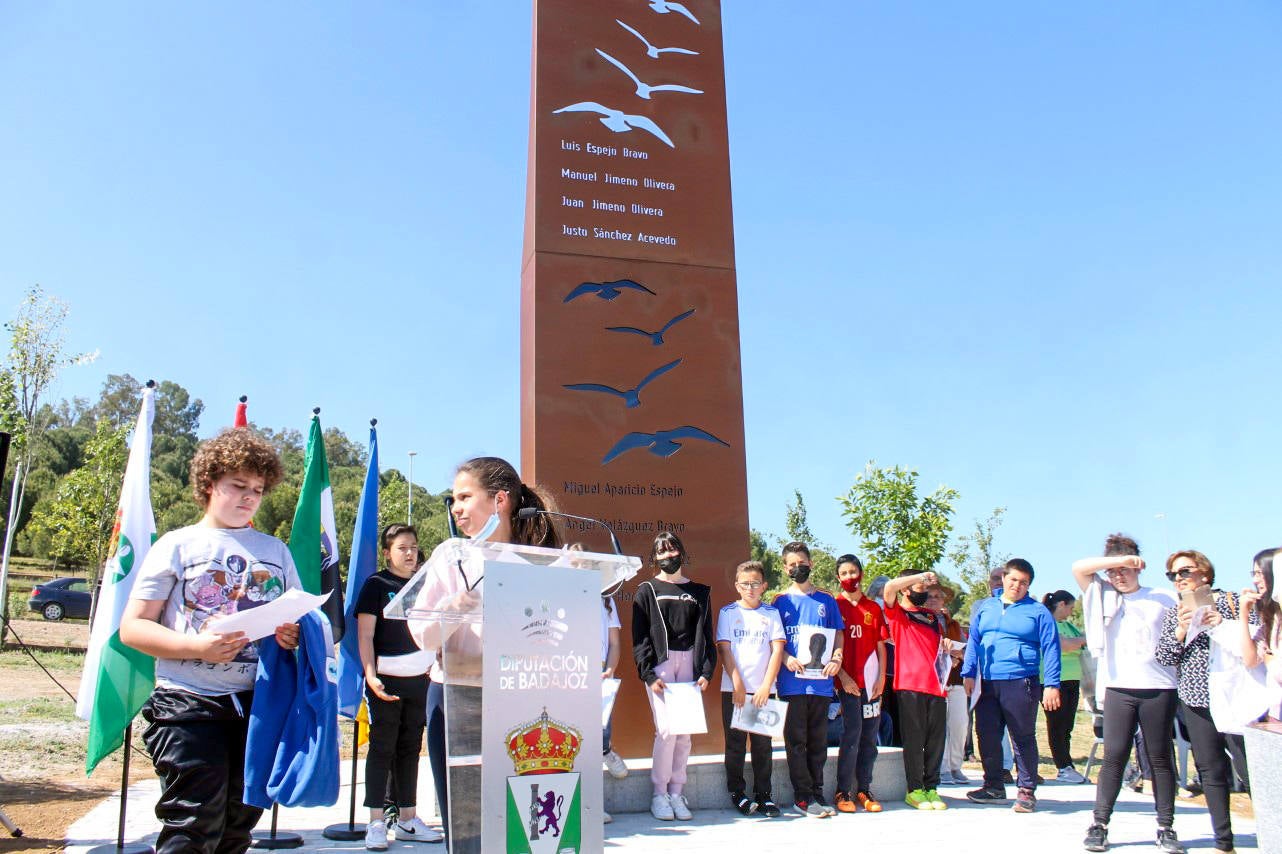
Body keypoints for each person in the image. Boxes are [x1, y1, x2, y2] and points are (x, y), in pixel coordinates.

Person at [119, 429, 302, 854]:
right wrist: (197, 648)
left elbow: (294, 619)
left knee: (238, 827)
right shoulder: (176, 545)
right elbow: (133, 628)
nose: (249, 497)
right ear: (209, 484)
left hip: (260, 707)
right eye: (238, 486)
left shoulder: (276, 551)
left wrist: (290, 635)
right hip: (188, 704)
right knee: (193, 824)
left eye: (257, 489)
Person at [411, 456, 561, 848]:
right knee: (468, 826)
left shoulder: (540, 562)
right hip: (456, 696)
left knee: (521, 825)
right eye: (453, 499)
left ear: (500, 500)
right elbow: (422, 638)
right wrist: (451, 611)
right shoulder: (450, 557)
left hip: (523, 698)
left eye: (464, 497)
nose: (456, 508)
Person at [1074, 534, 1184, 854]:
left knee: (1160, 757)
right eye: (1114, 571)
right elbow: (1079, 568)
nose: (1119, 576)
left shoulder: (1162, 597)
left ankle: (1166, 826)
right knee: (1114, 756)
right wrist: (1116, 562)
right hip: (1119, 687)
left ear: (1139, 567)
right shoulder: (1103, 595)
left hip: (1159, 687)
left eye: (1126, 569)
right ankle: (1099, 823)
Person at [355, 524, 442, 849]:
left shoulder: (426, 585)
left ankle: (407, 819)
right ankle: (376, 822)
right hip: (386, 681)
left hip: (421, 678)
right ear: (387, 552)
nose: (410, 553)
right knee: (382, 748)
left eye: (414, 547)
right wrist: (370, 675)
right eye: (403, 547)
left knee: (409, 750)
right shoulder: (376, 585)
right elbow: (365, 635)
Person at [1155, 550, 1247, 853]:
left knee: (1250, 769)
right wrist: (1181, 630)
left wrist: (1222, 623)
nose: (1178, 579)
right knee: (1210, 769)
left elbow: (1259, 638)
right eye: (1172, 575)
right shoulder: (1175, 612)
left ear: (1205, 573)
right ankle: (1224, 841)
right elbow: (1165, 657)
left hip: (1237, 697)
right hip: (1196, 698)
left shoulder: (1233, 602)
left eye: (1185, 572)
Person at [962, 558, 1061, 813]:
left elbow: (1051, 648)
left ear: (1029, 585)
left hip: (1021, 681)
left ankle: (1026, 790)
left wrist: (1052, 684)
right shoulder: (986, 607)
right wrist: (969, 672)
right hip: (988, 682)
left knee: (1022, 736)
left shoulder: (1038, 612)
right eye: (1013, 579)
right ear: (1004, 578)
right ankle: (993, 786)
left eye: (1024, 582)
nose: (1017, 585)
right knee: (986, 735)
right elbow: (974, 640)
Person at [632, 532, 716, 822]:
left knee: (684, 734)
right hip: (662, 667)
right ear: (654, 557)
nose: (668, 556)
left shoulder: (699, 592)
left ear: (682, 552)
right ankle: (659, 794)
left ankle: (677, 792)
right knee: (666, 731)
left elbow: (706, 634)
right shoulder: (647, 590)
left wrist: (706, 670)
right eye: (662, 552)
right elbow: (640, 636)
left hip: (690, 665)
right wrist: (647, 672)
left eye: (673, 550)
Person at [773, 542, 844, 817]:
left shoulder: (827, 600)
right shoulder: (779, 601)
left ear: (811, 564)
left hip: (822, 683)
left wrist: (837, 657)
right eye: (791, 564)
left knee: (818, 740)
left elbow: (837, 634)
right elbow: (775, 640)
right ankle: (802, 797)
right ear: (785, 568)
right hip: (792, 683)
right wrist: (785, 659)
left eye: (801, 562)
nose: (797, 567)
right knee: (796, 740)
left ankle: (817, 792)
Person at [716, 560, 787, 818]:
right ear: (737, 586)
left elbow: (777, 649)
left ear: (764, 586)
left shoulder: (770, 614)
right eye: (745, 583)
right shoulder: (728, 612)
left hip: (763, 691)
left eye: (755, 583)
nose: (750, 588)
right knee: (735, 745)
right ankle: (737, 792)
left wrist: (766, 686)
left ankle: (764, 795)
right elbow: (724, 648)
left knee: (762, 745)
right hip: (734, 690)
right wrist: (737, 683)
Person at [882, 570, 948, 811]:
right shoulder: (898, 614)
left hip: (937, 687)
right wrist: (919, 577)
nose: (924, 593)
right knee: (914, 740)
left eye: (925, 589)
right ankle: (915, 789)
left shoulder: (933, 618)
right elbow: (889, 587)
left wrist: (952, 653)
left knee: (935, 742)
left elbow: (938, 649)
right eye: (919, 589)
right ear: (906, 589)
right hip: (910, 685)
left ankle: (932, 788)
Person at [832, 554, 889, 812]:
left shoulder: (873, 608)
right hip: (847, 683)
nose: (849, 577)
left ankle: (864, 789)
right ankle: (843, 791)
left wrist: (880, 681)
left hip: (871, 684)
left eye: (853, 572)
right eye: (843, 573)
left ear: (861, 573)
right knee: (851, 733)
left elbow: (881, 647)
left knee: (869, 736)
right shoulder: (835, 605)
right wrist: (842, 677)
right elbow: (832, 646)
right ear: (837, 578)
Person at [1041, 589, 1088, 784]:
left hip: (1072, 680)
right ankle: (1062, 766)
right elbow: (1065, 645)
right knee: (1057, 724)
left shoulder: (1069, 626)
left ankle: (1067, 765)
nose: (1070, 612)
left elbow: (1076, 643)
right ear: (1061, 605)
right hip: (1053, 680)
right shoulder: (1047, 622)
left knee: (1067, 725)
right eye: (1070, 607)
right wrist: (1082, 641)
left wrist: (1077, 642)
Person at [931, 584, 969, 786]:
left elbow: (965, 650)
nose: (935, 599)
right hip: (936, 681)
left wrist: (957, 654)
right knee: (939, 727)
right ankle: (942, 768)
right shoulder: (924, 621)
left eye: (939, 596)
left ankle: (955, 766)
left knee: (959, 724)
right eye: (931, 596)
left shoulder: (953, 624)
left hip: (956, 680)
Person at [1241, 546, 1282, 721]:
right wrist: (1243, 615)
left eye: (1260, 573)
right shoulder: (1271, 618)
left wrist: (1272, 662)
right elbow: (1250, 660)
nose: (1255, 580)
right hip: (1277, 712)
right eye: (1254, 574)